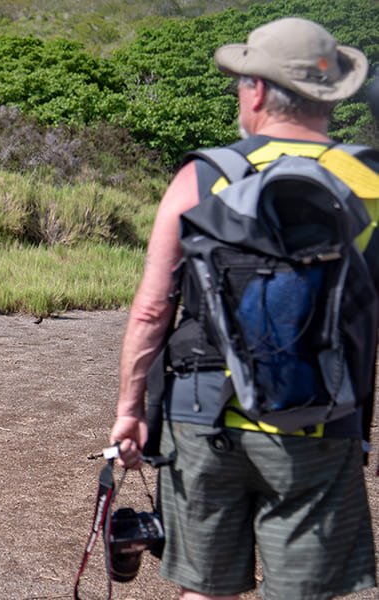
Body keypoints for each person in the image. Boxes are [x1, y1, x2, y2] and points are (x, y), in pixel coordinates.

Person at [109, 17, 379, 600]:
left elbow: (153, 310)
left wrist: (131, 410)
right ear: (328, 95)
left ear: (256, 90)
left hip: (203, 417)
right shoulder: (370, 181)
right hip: (321, 417)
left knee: (205, 591)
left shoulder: (203, 176)